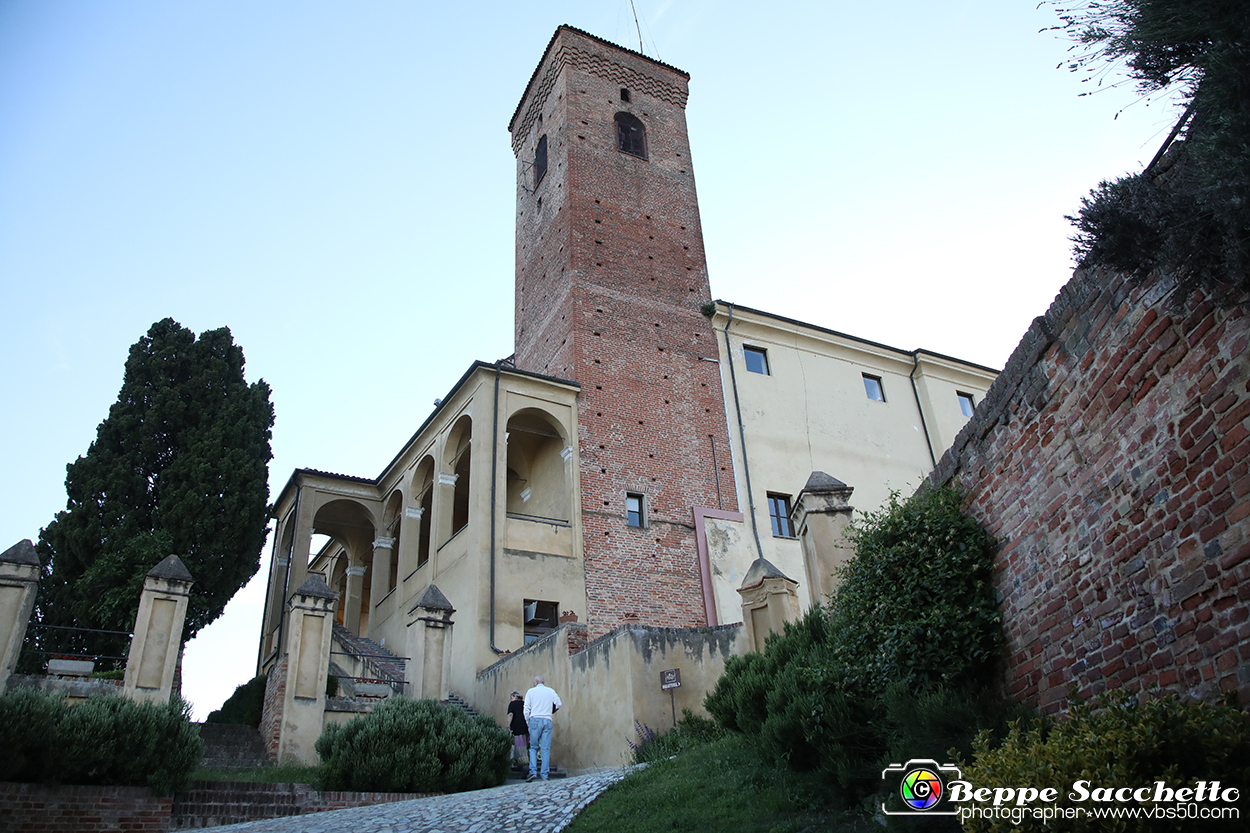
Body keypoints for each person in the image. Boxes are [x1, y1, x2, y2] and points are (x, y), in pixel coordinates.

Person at [523, 675, 562, 782]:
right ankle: (545, 774)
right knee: (545, 748)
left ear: (536, 682)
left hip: (535, 719)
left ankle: (533, 771)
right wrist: (551, 712)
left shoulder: (531, 692)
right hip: (547, 720)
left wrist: (528, 722)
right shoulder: (550, 691)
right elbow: (559, 703)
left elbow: (526, 709)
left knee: (533, 747)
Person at [506, 691, 528, 768]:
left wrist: (508, 725)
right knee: (524, 743)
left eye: (511, 697)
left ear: (515, 697)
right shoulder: (525, 703)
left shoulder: (512, 704)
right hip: (526, 727)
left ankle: (520, 761)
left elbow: (510, 714)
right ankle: (526, 759)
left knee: (518, 744)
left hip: (516, 727)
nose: (511, 699)